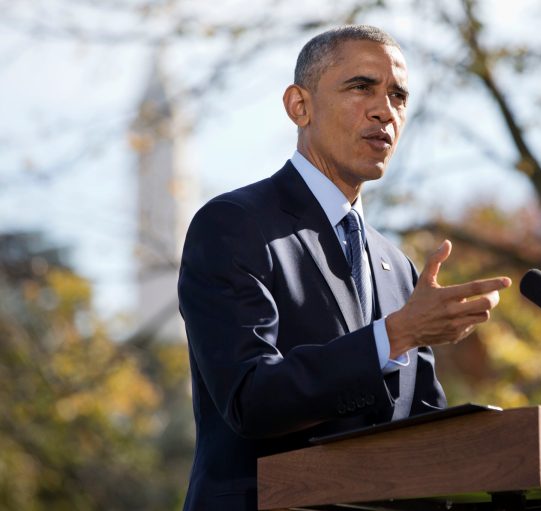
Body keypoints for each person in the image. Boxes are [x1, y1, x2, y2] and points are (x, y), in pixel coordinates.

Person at [177, 24, 511, 510]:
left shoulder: (398, 268)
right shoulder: (234, 225)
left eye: (398, 96)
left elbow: (420, 432)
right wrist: (393, 336)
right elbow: (251, 397)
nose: (385, 110)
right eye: (361, 87)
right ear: (300, 106)